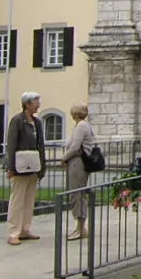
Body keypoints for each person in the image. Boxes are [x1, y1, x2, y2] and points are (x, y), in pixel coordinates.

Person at [4, 92, 46, 245]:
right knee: (17, 200)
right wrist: (11, 167)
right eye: (36, 101)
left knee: (29, 199)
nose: (38, 104)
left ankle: (25, 229)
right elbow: (12, 144)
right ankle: (13, 232)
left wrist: (42, 165)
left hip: (34, 165)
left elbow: (41, 145)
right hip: (20, 165)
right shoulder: (17, 121)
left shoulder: (37, 122)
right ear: (27, 104)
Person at [60, 102, 96, 240]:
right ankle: (80, 227)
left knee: (76, 193)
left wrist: (64, 158)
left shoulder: (81, 126)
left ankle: (80, 228)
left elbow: (75, 146)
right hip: (76, 162)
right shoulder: (82, 125)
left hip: (78, 163)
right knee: (77, 193)